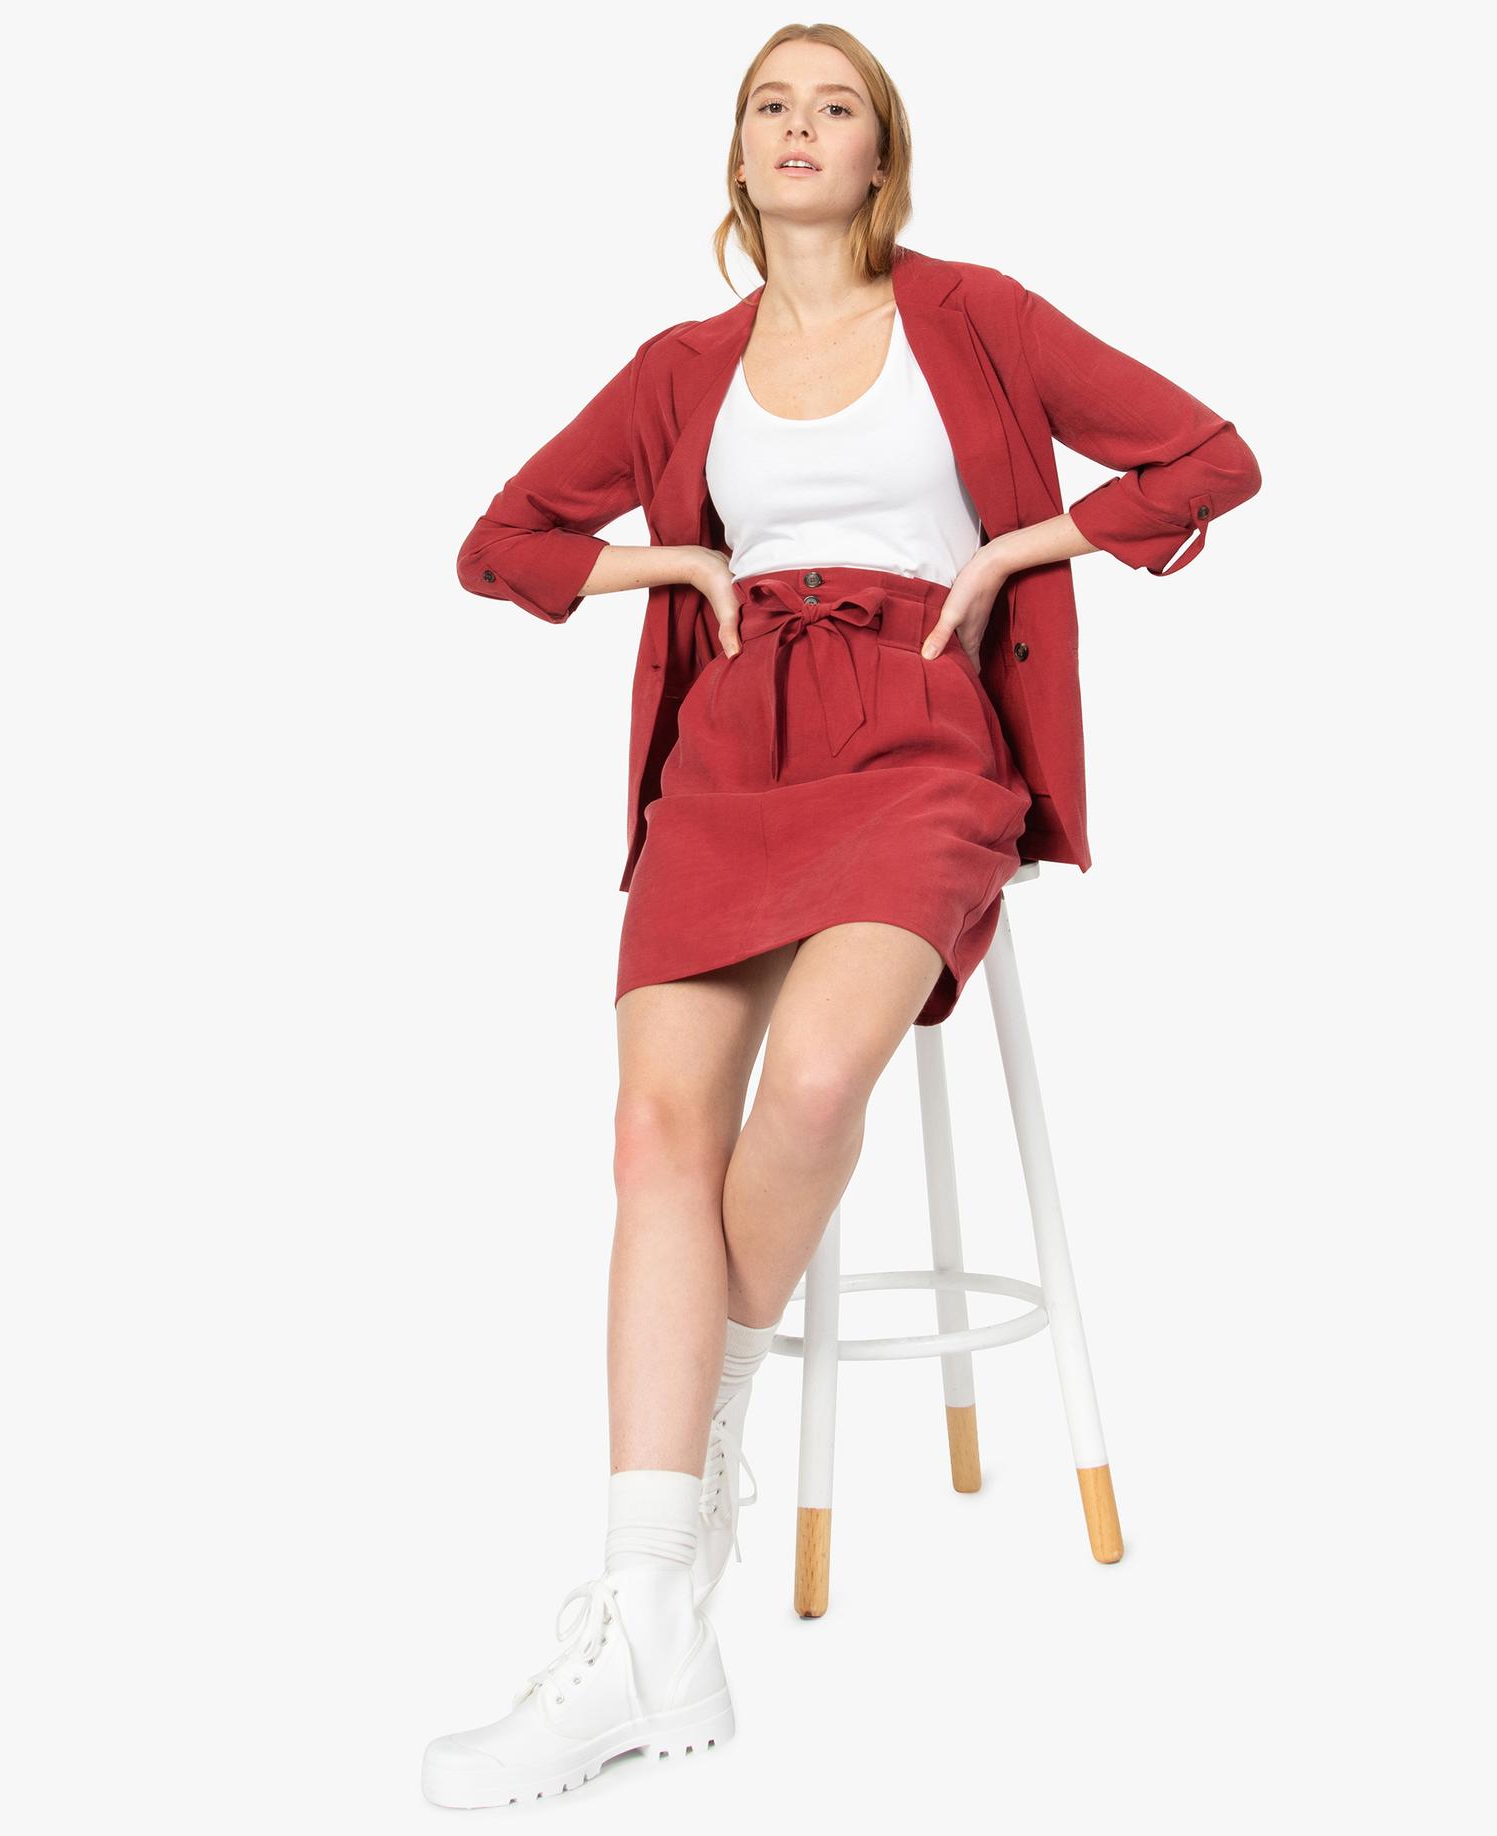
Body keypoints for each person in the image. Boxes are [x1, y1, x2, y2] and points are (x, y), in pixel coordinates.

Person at [423, 22, 1261, 1810]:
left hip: (919, 738)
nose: (799, 129)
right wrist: (670, 560)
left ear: (882, 157)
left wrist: (1019, 548)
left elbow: (1208, 458)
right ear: (737, 155)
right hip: (730, 750)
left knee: (811, 1086)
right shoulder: (680, 366)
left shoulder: (975, 315)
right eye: (770, 106)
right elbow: (499, 543)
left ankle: (677, 1517)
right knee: (656, 1135)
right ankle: (651, 1617)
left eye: (837, 109)